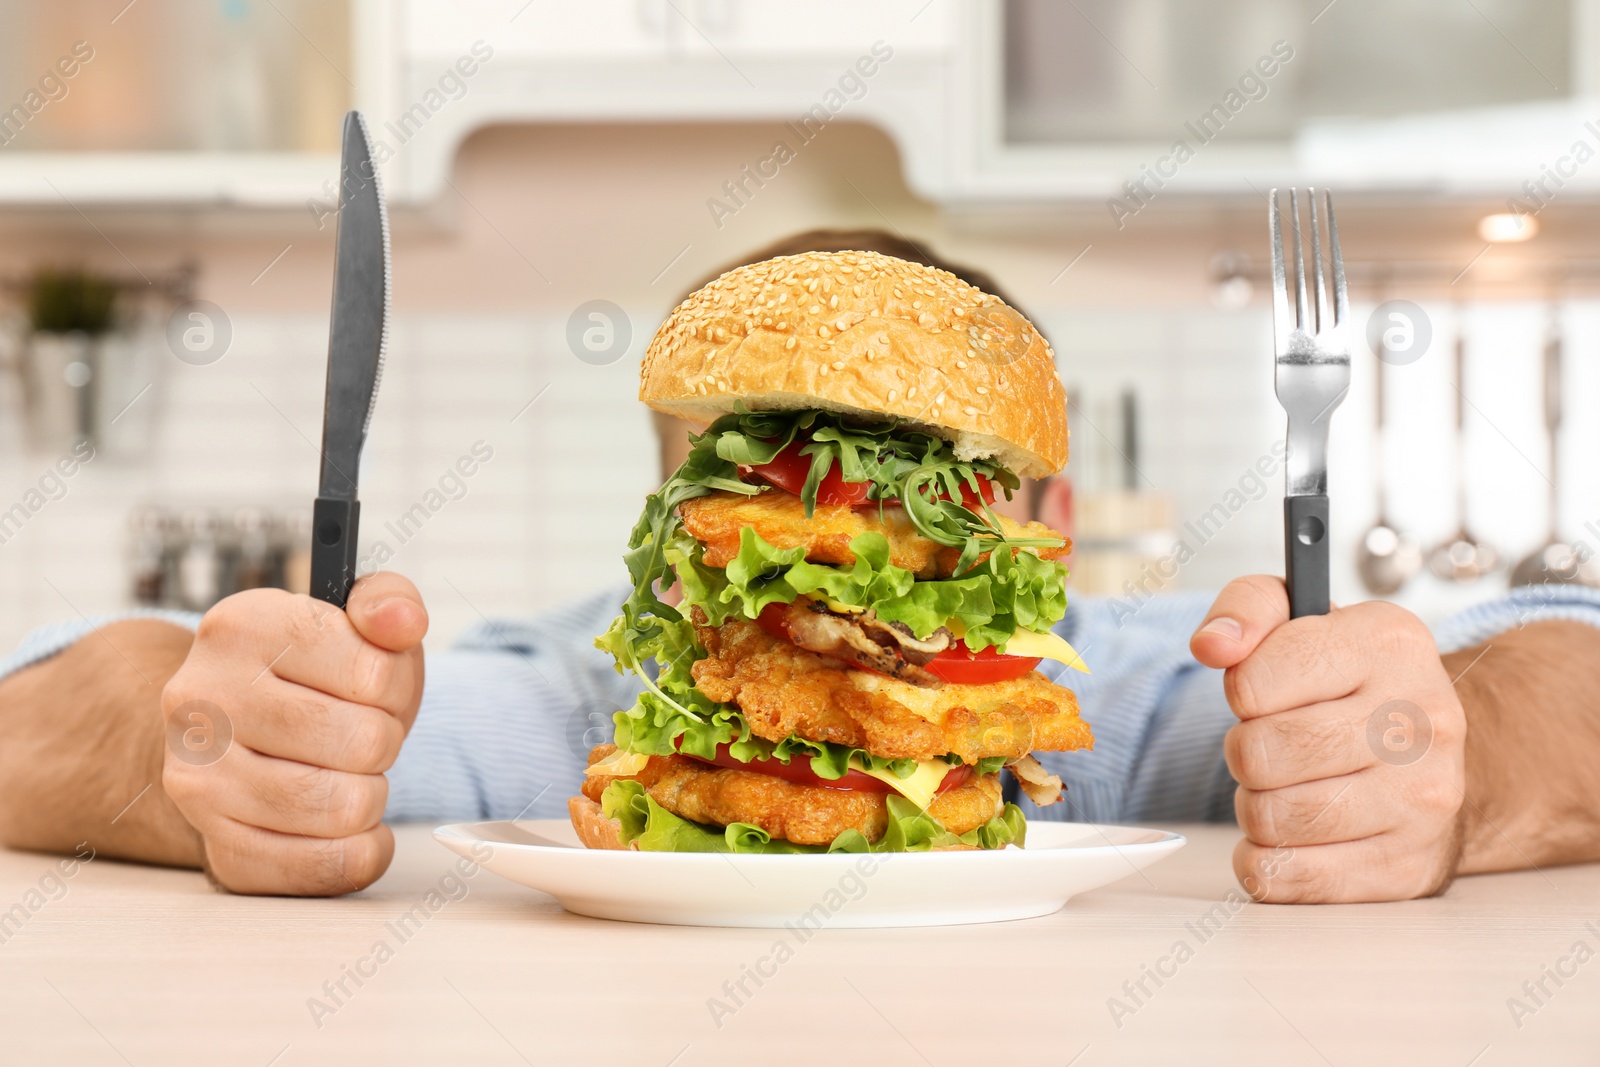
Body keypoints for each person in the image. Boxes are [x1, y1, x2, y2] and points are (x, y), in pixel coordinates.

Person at [3, 230, 1599, 902]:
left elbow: (1561, 659)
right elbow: (36, 714)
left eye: (930, 493)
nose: (845, 533)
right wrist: (200, 739)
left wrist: (1437, 757)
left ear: (1042, 523)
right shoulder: (570, 701)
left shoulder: (1153, 688)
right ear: (670, 521)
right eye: (756, 467)